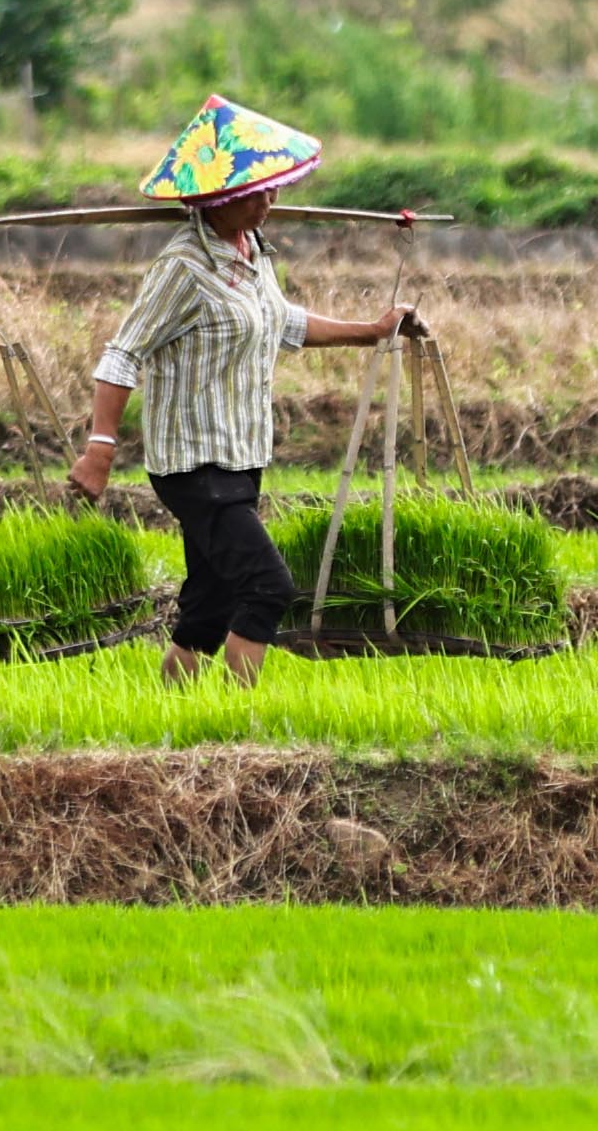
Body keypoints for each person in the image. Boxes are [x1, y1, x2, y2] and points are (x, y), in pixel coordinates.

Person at [62, 94, 428, 688]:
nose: (270, 200)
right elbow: (122, 352)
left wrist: (373, 330)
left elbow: (282, 322)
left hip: (241, 453)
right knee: (267, 587)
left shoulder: (251, 251)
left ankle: (173, 703)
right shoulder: (182, 267)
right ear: (218, 199)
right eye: (255, 192)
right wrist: (100, 448)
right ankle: (240, 722)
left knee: (207, 606)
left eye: (272, 187)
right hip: (194, 464)